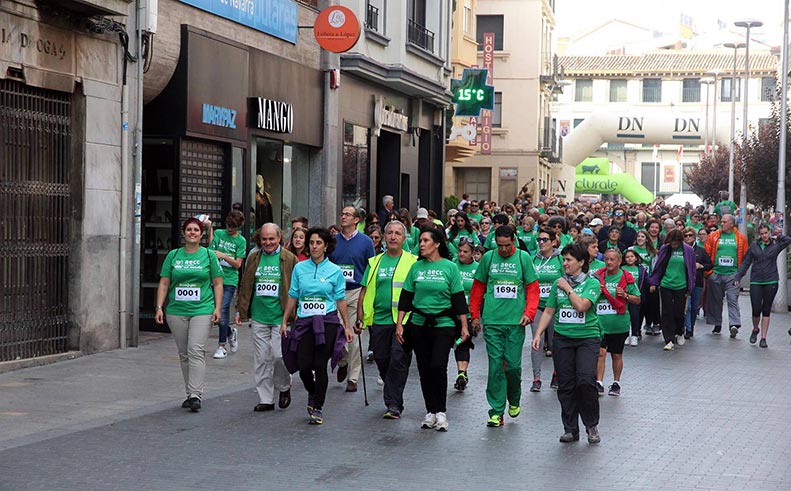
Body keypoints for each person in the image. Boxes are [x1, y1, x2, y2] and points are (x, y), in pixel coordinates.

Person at [396, 228, 470, 431]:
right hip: (419, 324)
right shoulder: (416, 267)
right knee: (424, 368)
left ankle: (441, 412)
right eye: (420, 240)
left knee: (438, 365)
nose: (421, 244)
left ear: (437, 244)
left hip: (444, 324)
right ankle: (430, 411)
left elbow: (458, 299)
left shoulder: (450, 267)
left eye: (426, 240)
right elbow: (406, 297)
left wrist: (464, 325)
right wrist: (400, 324)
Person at [280, 227, 353, 425]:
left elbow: (340, 300)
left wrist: (346, 326)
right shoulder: (299, 268)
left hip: (326, 323)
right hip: (304, 322)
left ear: (326, 246)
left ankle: (318, 407)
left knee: (320, 365)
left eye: (318, 243)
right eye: (311, 243)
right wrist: (285, 321)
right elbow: (293, 295)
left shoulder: (335, 271)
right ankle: (312, 393)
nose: (314, 246)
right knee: (303, 366)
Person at [531, 244, 603, 444]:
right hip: (562, 338)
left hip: (587, 338)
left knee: (585, 381)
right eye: (563, 260)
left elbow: (581, 306)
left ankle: (591, 424)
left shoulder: (592, 283)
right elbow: (548, 311)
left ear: (581, 262)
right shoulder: (558, 283)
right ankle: (571, 428)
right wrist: (538, 334)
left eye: (569, 260)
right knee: (566, 384)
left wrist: (568, 288)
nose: (565, 264)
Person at [469, 226, 539, 427]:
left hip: (516, 322)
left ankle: (514, 398)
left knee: (514, 366)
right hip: (492, 322)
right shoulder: (489, 258)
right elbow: (478, 288)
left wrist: (529, 313)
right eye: (500, 246)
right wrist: (475, 316)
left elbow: (532, 288)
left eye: (507, 245)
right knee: (496, 366)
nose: (504, 250)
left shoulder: (523, 258)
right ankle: (496, 411)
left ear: (514, 241)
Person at [155, 218, 223, 412]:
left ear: (201, 234)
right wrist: (159, 307)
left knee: (195, 349)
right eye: (189, 230)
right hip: (176, 311)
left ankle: (196, 394)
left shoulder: (209, 256)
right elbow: (164, 283)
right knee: (184, 353)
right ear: (183, 233)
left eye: (196, 230)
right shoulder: (173, 255)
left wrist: (217, 308)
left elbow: (218, 283)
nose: (192, 233)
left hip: (202, 309)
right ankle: (189, 392)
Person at [358, 221, 418, 419]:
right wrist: (361, 316)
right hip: (379, 321)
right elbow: (364, 290)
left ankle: (394, 404)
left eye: (397, 233)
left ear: (404, 238)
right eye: (389, 233)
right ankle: (392, 394)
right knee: (383, 359)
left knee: (399, 359)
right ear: (384, 236)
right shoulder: (374, 262)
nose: (393, 237)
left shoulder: (413, 262)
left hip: (405, 321)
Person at [235, 224, 297, 412]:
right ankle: (266, 399)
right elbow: (246, 285)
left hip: (281, 317)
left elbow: (296, 288)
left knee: (279, 356)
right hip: (259, 316)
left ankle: (284, 386)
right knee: (261, 359)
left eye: (271, 239)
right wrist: (241, 310)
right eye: (264, 239)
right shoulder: (254, 257)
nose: (268, 242)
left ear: (279, 238)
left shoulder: (289, 258)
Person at [330, 207, 376, 392]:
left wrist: (367, 295)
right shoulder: (333, 241)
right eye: (341, 213)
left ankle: (353, 377)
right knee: (336, 333)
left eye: (347, 214)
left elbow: (370, 268)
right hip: (336, 293)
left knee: (355, 337)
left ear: (356, 219)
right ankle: (342, 361)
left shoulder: (365, 242)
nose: (343, 216)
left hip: (357, 291)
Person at [735, 225, 791, 348]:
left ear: (769, 233)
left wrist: (778, 236)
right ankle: (755, 328)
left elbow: (787, 240)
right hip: (756, 281)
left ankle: (763, 338)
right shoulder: (754, 246)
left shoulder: (775, 245)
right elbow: (746, 262)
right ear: (759, 235)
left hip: (771, 280)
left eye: (766, 233)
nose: (764, 236)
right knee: (756, 309)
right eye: (762, 233)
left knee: (766, 309)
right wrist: (738, 277)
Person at [594, 248, 640, 396]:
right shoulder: (597, 277)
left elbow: (638, 299)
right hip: (599, 323)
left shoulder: (626, 277)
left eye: (612, 259)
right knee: (601, 353)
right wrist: (596, 293)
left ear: (619, 262)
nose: (608, 262)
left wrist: (625, 295)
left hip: (618, 324)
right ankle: (599, 382)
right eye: (606, 259)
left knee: (616, 355)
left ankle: (616, 383)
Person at [207, 211, 247, 360]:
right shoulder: (219, 233)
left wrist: (224, 256)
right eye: (229, 226)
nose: (230, 229)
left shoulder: (241, 241)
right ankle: (230, 332)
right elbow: (210, 250)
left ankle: (221, 345)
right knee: (214, 312)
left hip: (229, 280)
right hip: (215, 277)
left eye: (233, 227)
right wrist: (209, 229)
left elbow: (237, 264)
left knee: (222, 309)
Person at [648, 230, 696, 351]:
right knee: (666, 312)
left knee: (679, 312)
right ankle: (668, 339)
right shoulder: (665, 249)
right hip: (666, 284)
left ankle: (679, 331)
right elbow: (659, 266)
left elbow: (692, 269)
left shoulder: (688, 250)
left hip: (681, 285)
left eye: (675, 243)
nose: (673, 245)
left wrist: (691, 286)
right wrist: (654, 282)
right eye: (671, 243)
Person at [530, 227, 564, 391]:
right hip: (537, 306)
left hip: (555, 307)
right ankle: (536, 378)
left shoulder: (560, 260)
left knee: (554, 342)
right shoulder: (533, 259)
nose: (541, 243)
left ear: (553, 242)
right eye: (539, 240)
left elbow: (567, 280)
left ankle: (557, 374)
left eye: (544, 240)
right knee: (536, 339)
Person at [704, 214, 748, 337]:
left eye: (724, 222)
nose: (721, 224)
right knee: (716, 300)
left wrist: (740, 274)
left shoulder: (740, 238)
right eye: (721, 221)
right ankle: (716, 323)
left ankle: (734, 324)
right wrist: (709, 273)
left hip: (733, 275)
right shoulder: (713, 236)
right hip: (716, 273)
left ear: (731, 224)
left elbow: (745, 257)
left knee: (732, 299)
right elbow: (707, 254)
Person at [452, 238, 479, 392]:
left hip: (467, 314)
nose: (461, 254)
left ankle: (461, 373)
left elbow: (480, 293)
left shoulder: (477, 268)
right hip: (449, 313)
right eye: (460, 251)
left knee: (463, 344)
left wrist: (477, 317)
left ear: (472, 253)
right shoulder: (452, 265)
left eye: (465, 252)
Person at [683, 227, 713, 339]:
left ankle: (691, 326)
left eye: (690, 235)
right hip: (684, 282)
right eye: (685, 235)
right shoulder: (681, 250)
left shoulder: (700, 250)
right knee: (688, 306)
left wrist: (701, 266)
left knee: (695, 307)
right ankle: (687, 328)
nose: (688, 237)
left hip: (697, 282)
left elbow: (710, 264)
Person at [621, 250, 647, 347]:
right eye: (627, 257)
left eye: (632, 256)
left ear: (636, 258)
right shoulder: (621, 269)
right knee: (625, 316)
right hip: (623, 297)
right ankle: (626, 334)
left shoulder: (641, 269)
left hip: (635, 296)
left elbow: (645, 280)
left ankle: (635, 335)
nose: (630, 258)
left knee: (635, 316)